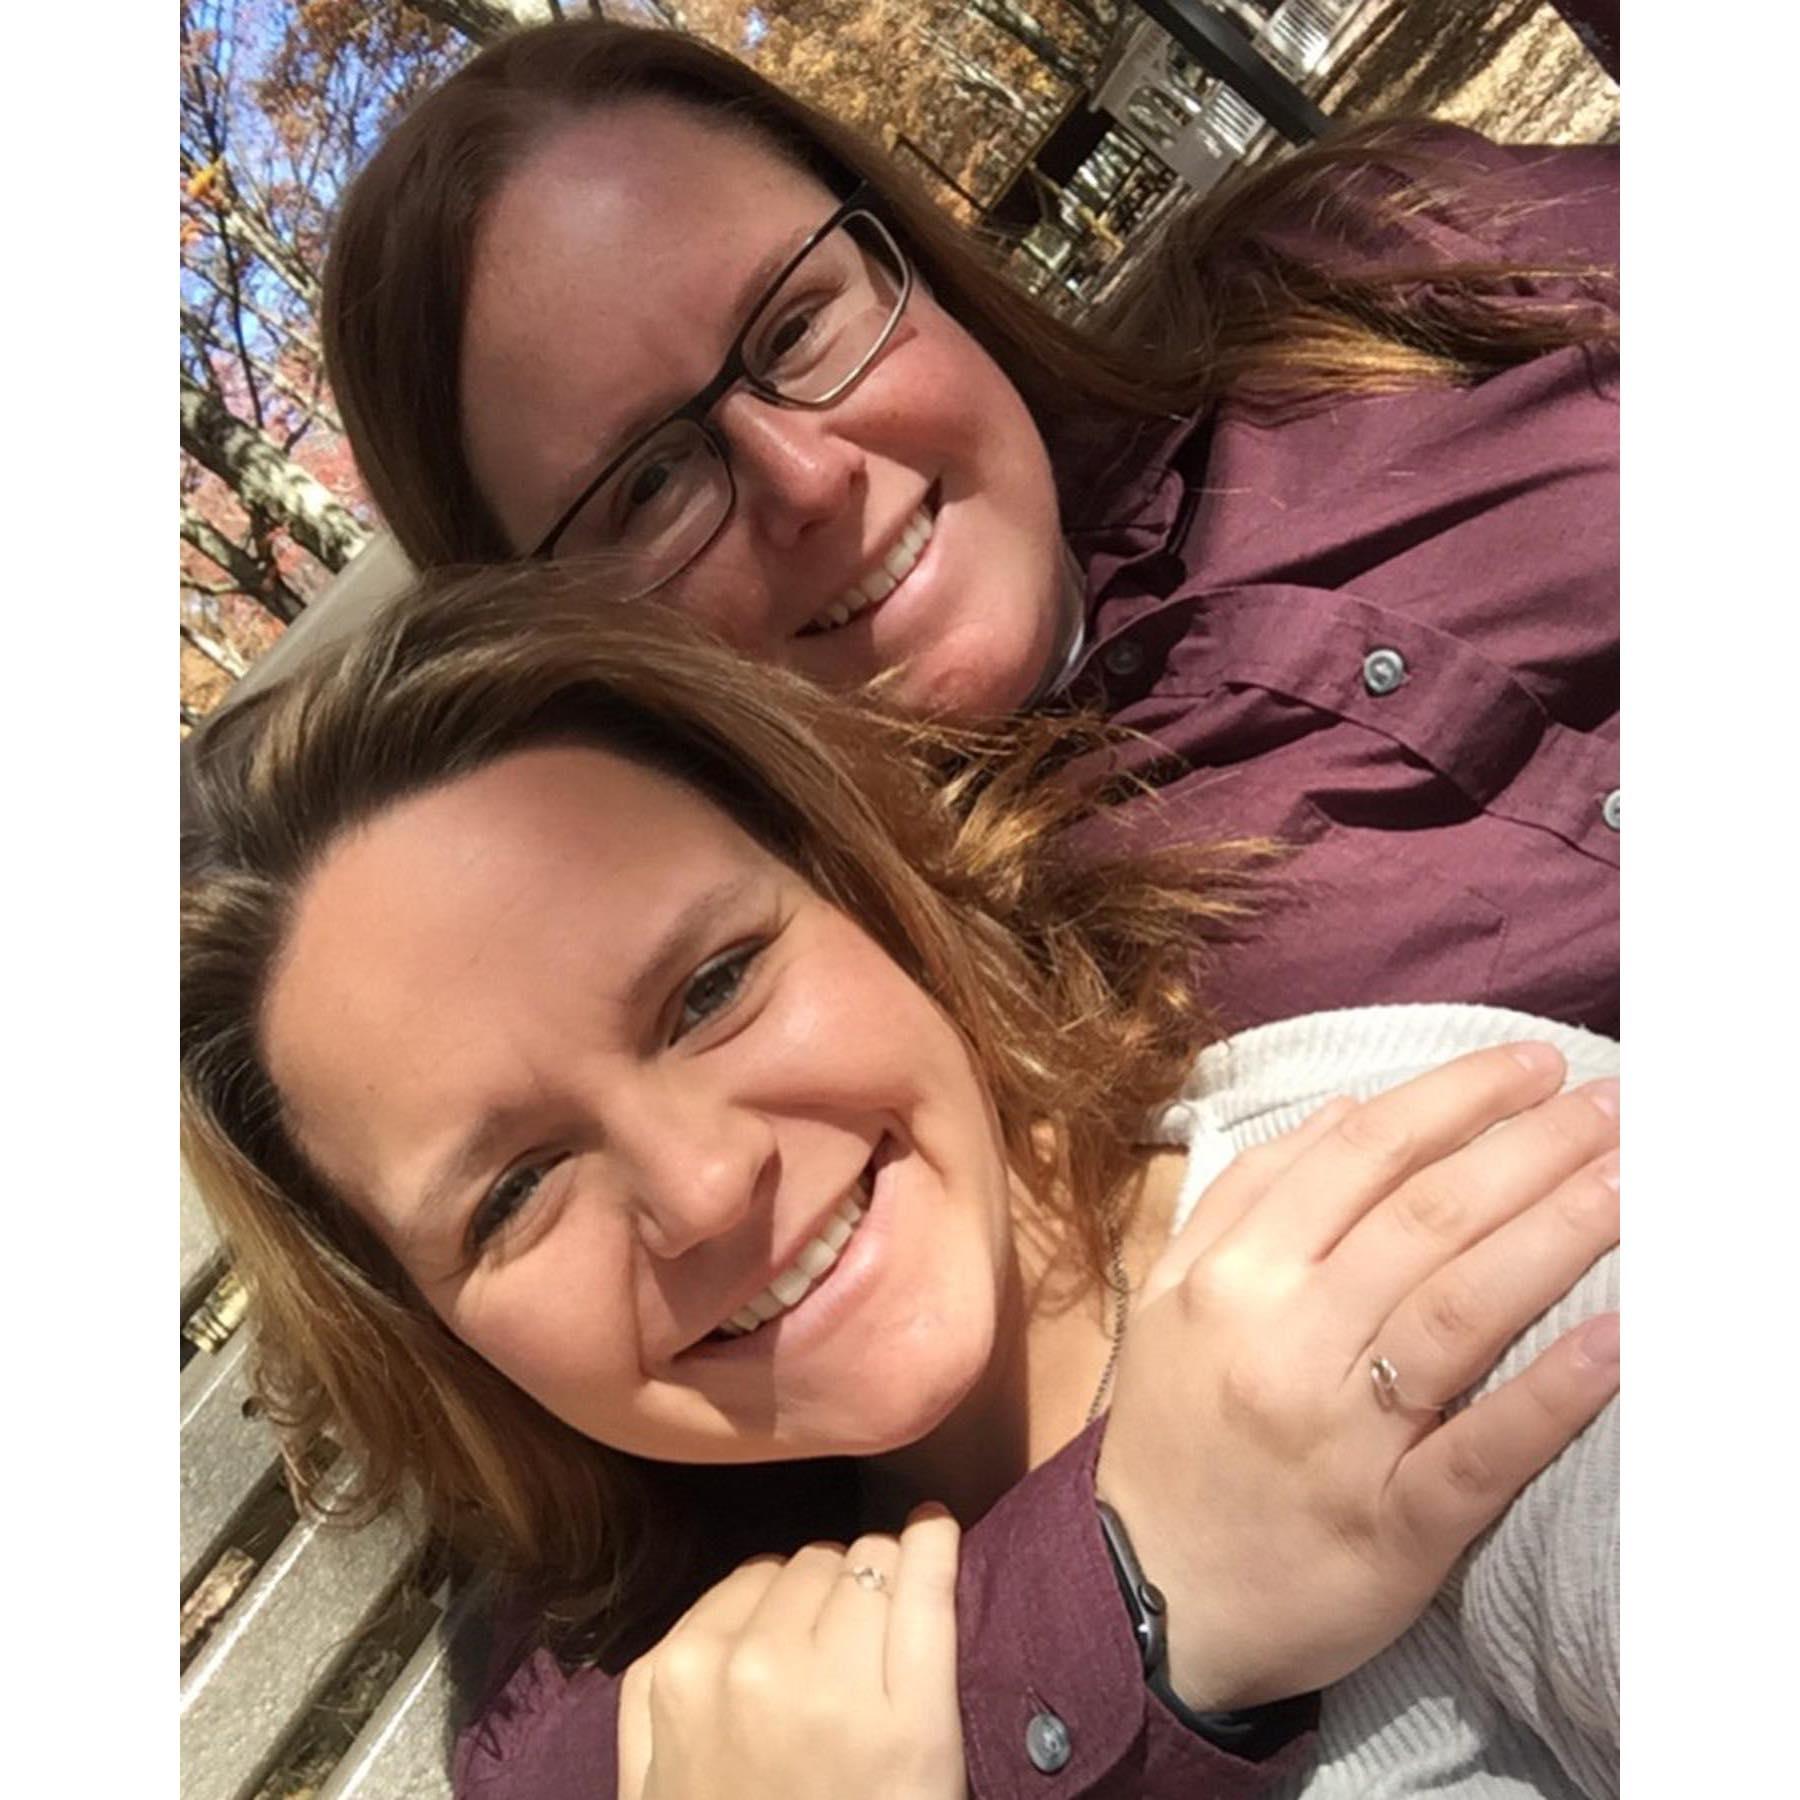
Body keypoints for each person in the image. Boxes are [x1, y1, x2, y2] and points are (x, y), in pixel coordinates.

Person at [181, 573, 1620, 1800]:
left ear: (867, 888)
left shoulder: (1420, 1243)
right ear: (436, 1329)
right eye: (514, 1190)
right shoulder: (665, 1683)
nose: (703, 1186)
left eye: (713, 988)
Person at [319, 17, 1619, 1042]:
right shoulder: (932, 1077)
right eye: (650, 485)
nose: (806, 477)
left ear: (907, 259)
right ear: (569, 640)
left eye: (794, 325)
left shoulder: (1356, 263)